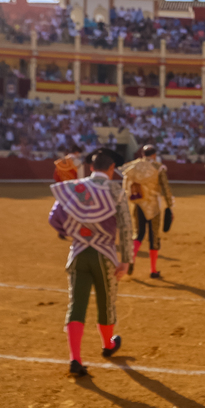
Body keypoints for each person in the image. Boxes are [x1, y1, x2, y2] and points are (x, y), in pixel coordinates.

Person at [48, 148, 133, 377]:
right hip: (104, 254)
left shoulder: (75, 187)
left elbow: (54, 217)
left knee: (76, 305)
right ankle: (107, 345)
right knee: (106, 303)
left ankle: (75, 358)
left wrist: (71, 232)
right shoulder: (116, 190)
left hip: (77, 254)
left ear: (91, 168)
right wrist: (126, 260)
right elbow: (125, 227)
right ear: (111, 168)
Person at [119, 144, 175, 279]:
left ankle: (131, 261)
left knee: (138, 234)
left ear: (143, 154)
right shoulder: (158, 167)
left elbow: (126, 186)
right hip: (153, 206)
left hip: (137, 204)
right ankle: (153, 270)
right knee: (154, 237)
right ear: (154, 155)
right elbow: (165, 188)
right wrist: (170, 206)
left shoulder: (132, 166)